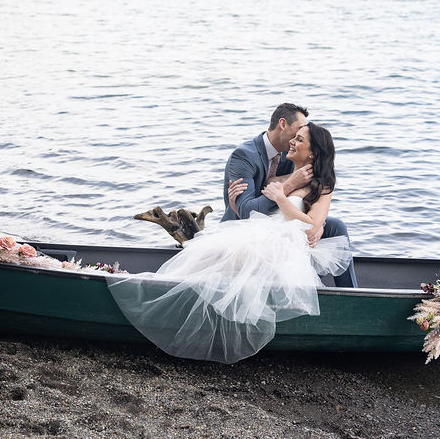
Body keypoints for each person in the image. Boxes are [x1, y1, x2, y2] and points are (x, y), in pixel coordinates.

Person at [105, 121, 353, 363]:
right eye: (294, 136)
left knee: (236, 259)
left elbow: (311, 224)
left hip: (284, 246)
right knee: (210, 254)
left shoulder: (322, 185)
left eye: (300, 139)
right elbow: (256, 212)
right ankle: (159, 292)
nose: (293, 141)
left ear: (314, 152)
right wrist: (238, 205)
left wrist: (282, 199)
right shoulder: (279, 179)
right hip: (261, 233)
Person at [224, 103, 357, 288]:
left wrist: (319, 224)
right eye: (297, 132)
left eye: (300, 138)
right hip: (248, 227)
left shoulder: (288, 156)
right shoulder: (245, 156)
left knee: (335, 226)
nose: (295, 139)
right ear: (283, 124)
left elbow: (310, 199)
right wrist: (288, 186)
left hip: (286, 227)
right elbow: (247, 212)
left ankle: (351, 292)